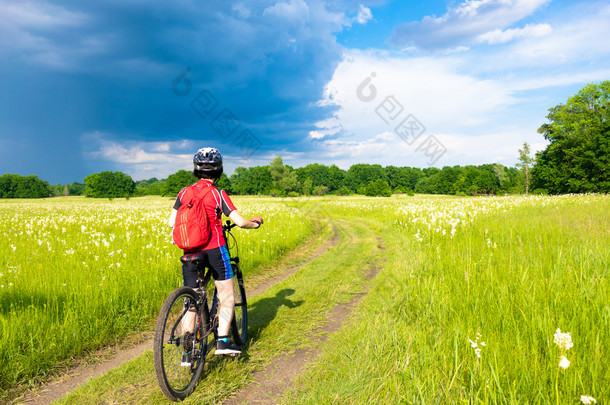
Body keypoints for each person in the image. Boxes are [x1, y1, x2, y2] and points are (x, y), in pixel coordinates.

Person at [168, 147, 263, 357]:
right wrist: (254, 224)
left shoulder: (183, 193)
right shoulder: (218, 194)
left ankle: (188, 350)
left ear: (196, 170)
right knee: (227, 295)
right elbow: (238, 221)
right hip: (214, 250)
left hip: (189, 251)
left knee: (191, 299)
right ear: (218, 171)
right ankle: (222, 342)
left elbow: (171, 222)